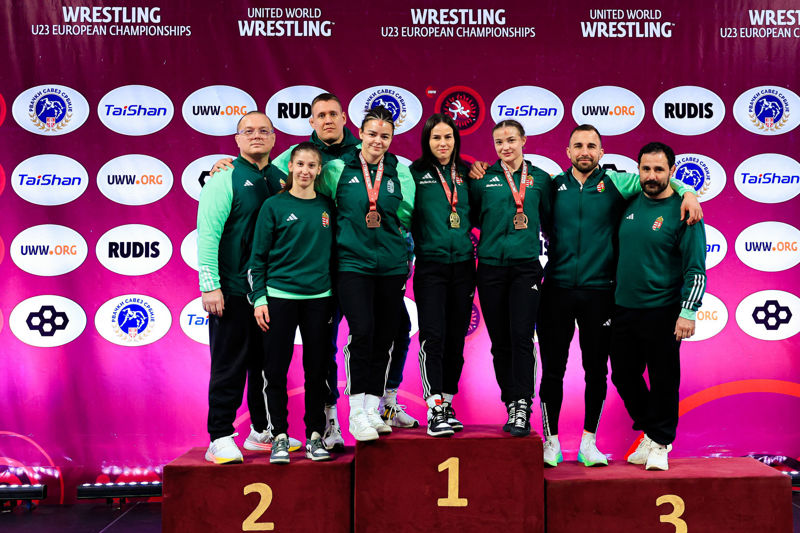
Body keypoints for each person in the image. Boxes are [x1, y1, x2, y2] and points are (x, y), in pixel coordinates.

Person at [536, 125, 702, 467]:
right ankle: (551, 441)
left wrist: (689, 192)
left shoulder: (617, 183)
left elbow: (663, 182)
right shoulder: (553, 185)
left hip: (604, 294)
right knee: (562, 371)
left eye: (591, 146)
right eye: (578, 145)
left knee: (601, 372)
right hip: (561, 291)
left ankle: (596, 443)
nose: (584, 151)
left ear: (602, 152)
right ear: (567, 151)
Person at [212, 93, 360, 451]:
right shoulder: (269, 187)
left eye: (333, 114)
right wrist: (225, 165)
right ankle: (251, 434)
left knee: (320, 364)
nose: (305, 170)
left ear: (344, 118)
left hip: (325, 292)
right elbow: (249, 250)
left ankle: (320, 430)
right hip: (265, 293)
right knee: (266, 366)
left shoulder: (359, 160)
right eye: (320, 114)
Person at [198, 111, 298, 464]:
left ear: (273, 139)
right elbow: (208, 234)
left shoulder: (283, 178)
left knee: (266, 366)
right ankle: (219, 436)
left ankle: (261, 431)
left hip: (271, 293)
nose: (256, 135)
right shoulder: (223, 178)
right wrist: (210, 286)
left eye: (263, 131)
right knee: (229, 365)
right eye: (248, 131)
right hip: (233, 289)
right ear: (237, 140)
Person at [317, 106, 415, 441]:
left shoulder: (398, 171)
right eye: (372, 134)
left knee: (386, 337)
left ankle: (373, 409)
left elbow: (405, 215)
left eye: (385, 136)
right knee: (363, 332)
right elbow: (313, 199)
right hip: (352, 265)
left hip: (391, 266)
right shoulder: (337, 169)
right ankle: (356, 412)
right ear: (360, 134)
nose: (378, 141)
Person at [610, 142, 706, 471]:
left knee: (664, 379)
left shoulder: (686, 211)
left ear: (672, 172)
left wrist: (688, 312)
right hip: (623, 308)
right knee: (623, 375)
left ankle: (661, 442)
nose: (651, 176)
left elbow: (695, 268)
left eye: (659, 169)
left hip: (663, 310)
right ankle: (652, 432)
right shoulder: (628, 200)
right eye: (646, 169)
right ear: (638, 170)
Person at [247, 142, 336, 464]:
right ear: (291, 167)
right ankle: (280, 437)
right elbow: (257, 259)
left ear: (319, 170)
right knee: (275, 370)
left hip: (319, 300)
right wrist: (259, 298)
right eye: (300, 164)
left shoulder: (327, 206)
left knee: (317, 371)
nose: (305, 171)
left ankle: (315, 435)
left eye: (311, 165)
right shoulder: (273, 205)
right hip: (279, 298)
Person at [469, 119, 552, 437]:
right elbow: (473, 217)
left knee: (521, 337)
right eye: (499, 142)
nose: (505, 147)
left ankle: (523, 404)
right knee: (500, 342)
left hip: (525, 268)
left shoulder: (540, 179)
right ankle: (511, 402)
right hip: (490, 268)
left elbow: (550, 223)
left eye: (511, 140)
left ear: (524, 140)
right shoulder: (482, 179)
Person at [409, 114, 475, 437]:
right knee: (433, 336)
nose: (443, 143)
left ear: (455, 140)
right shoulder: (414, 174)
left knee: (455, 339)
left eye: (448, 137)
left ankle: (447, 403)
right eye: (436, 137)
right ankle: (434, 406)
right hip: (431, 266)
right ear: (427, 140)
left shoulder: (468, 173)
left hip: (463, 265)